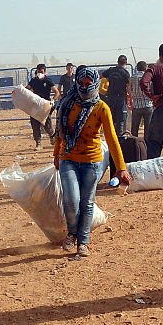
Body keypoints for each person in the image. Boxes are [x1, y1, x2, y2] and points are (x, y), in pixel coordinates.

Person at [54, 66, 131, 257]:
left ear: (96, 84)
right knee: (71, 200)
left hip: (92, 160)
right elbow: (60, 132)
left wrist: (121, 168)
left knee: (87, 202)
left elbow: (112, 139)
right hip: (68, 157)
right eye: (81, 83)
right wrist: (56, 154)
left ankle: (84, 242)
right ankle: (72, 233)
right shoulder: (67, 104)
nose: (85, 87)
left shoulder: (101, 108)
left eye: (89, 84)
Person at [27, 64, 58, 149]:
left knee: (47, 125)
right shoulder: (33, 81)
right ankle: (38, 143)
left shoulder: (48, 80)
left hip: (45, 105)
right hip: (35, 105)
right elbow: (27, 89)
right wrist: (18, 91)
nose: (40, 72)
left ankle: (52, 137)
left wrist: (53, 100)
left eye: (42, 71)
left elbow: (56, 92)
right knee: (35, 124)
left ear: (44, 71)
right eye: (39, 70)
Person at [101, 56, 131, 139]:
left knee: (111, 119)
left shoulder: (111, 70)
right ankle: (119, 139)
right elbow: (128, 87)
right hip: (121, 98)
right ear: (125, 63)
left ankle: (111, 138)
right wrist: (130, 98)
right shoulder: (125, 73)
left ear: (117, 62)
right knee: (120, 120)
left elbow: (101, 77)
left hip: (110, 97)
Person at [129, 61, 154, 137]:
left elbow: (129, 90)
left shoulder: (132, 77)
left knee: (134, 128)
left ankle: (134, 145)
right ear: (145, 68)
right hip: (148, 104)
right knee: (148, 128)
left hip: (136, 105)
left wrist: (131, 102)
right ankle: (146, 145)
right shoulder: (149, 77)